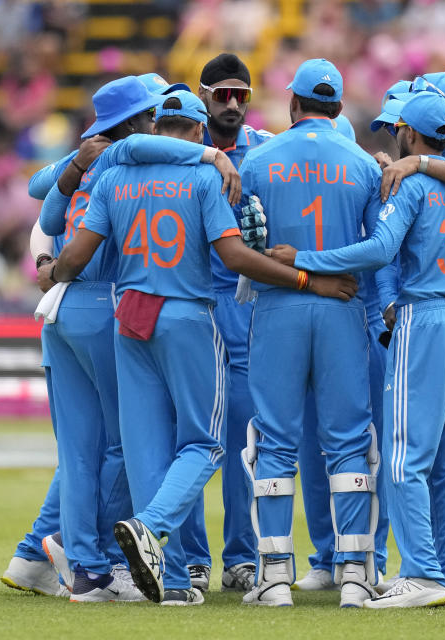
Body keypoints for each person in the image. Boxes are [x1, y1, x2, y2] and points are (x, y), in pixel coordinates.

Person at [48, 90, 358, 606]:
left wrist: (49, 272)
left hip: (130, 316)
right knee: (205, 444)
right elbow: (235, 257)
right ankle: (149, 527)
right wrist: (308, 280)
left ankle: (171, 581)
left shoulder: (115, 176)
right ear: (197, 131)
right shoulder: (204, 176)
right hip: (186, 314)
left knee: (149, 452)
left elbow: (76, 253)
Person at [268, 91, 445, 609]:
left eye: (398, 129)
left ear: (410, 134)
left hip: (424, 318)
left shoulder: (414, 183)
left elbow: (378, 250)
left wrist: (302, 258)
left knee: (402, 457)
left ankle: (420, 573)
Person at [4, 77, 238, 602]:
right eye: (149, 114)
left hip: (62, 302)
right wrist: (209, 156)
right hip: (108, 304)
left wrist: (73, 166)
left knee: (79, 452)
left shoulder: (90, 161)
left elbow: (40, 197)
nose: (155, 124)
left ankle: (74, 566)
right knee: (128, 445)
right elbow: (141, 147)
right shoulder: (128, 157)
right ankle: (98, 554)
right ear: (135, 122)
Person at [235, 58, 382, 608]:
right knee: (348, 443)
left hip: (278, 308)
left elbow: (241, 247)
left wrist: (300, 271)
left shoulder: (259, 159)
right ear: (340, 109)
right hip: (345, 307)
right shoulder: (365, 165)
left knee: (273, 440)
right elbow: (379, 249)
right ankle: (355, 575)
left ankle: (273, 577)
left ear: (293, 105)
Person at [180, 52, 275, 594]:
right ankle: (193, 558)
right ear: (203, 95)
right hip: (193, 301)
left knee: (244, 435)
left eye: (243, 94)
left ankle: (241, 556)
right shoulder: (181, 149)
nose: (234, 104)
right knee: (191, 433)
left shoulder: (264, 150)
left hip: (242, 301)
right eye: (223, 95)